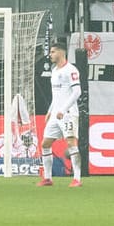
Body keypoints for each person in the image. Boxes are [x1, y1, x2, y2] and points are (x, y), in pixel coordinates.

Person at [38, 43, 82, 188]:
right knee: (45, 144)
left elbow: (77, 92)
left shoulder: (71, 70)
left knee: (71, 143)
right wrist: (50, 110)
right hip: (55, 114)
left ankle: (77, 179)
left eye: (53, 51)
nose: (50, 54)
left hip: (67, 114)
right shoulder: (55, 70)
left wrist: (63, 110)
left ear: (61, 53)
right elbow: (56, 95)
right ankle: (48, 178)